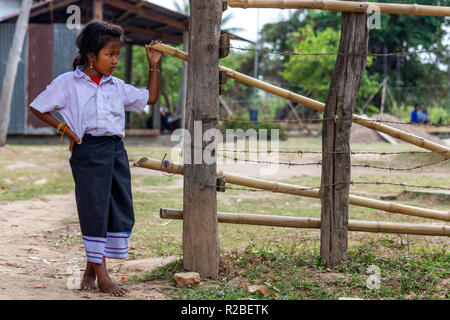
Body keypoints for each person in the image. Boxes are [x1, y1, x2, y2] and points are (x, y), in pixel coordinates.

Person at [28, 21, 162, 296]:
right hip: (88, 152)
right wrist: (64, 128)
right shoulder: (68, 83)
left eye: (117, 55)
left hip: (116, 152)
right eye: (109, 54)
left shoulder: (117, 86)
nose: (115, 61)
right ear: (92, 56)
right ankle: (102, 275)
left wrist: (153, 65)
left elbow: (150, 98)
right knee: (94, 209)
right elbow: (38, 106)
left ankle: (90, 269)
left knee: (117, 208)